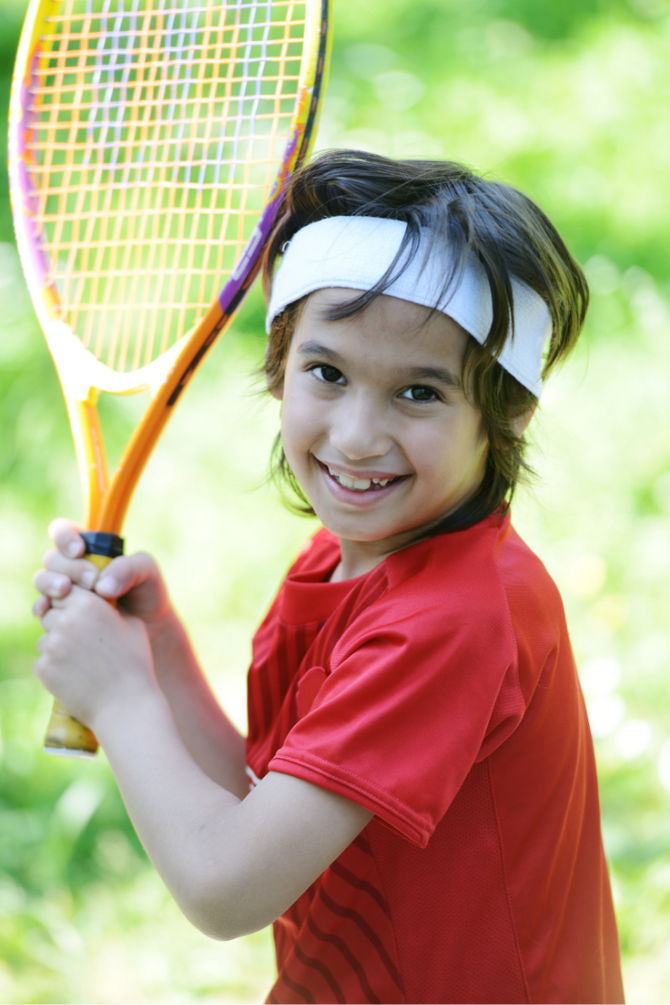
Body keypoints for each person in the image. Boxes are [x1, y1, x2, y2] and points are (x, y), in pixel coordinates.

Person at [32, 151, 624, 1004]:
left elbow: (228, 885)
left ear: (509, 410)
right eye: (328, 372)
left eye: (419, 393)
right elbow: (265, 808)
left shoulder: (452, 619)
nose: (355, 436)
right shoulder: (350, 560)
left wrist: (122, 701)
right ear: (280, 359)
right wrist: (153, 652)